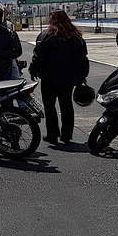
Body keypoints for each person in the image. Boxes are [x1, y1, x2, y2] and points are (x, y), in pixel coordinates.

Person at [28, 10, 89, 145]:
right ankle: (67, 135)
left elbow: (38, 56)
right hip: (69, 78)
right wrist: (83, 76)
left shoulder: (46, 36)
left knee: (50, 106)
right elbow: (83, 58)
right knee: (66, 105)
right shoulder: (76, 37)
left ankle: (52, 134)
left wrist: (33, 70)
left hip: (49, 77)